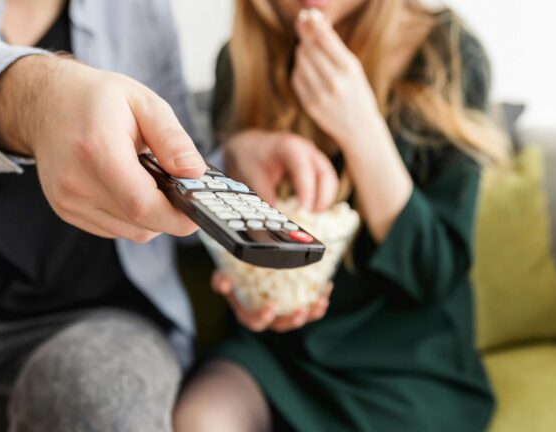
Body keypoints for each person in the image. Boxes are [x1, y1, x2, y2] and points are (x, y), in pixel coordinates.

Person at [0, 0, 333, 430]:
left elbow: (171, 166)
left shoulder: (140, 9)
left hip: (101, 320)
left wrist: (230, 163)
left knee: (94, 395)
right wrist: (39, 100)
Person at [175, 0, 507, 431]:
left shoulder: (448, 53)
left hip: (408, 364)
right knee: (199, 419)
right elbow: (240, 244)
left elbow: (435, 273)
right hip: (278, 352)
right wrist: (249, 287)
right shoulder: (240, 62)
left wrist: (362, 129)